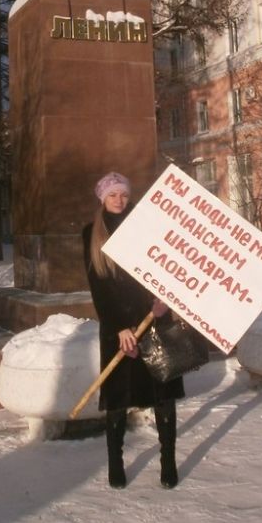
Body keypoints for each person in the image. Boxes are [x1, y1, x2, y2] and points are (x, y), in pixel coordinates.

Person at [82, 171, 184, 489]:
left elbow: (168, 268)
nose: (119, 200)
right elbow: (98, 287)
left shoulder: (146, 226)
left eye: (123, 194)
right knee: (116, 401)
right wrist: (118, 328)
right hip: (119, 329)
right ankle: (116, 465)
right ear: (103, 198)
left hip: (153, 321)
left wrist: (162, 302)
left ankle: (168, 462)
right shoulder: (92, 234)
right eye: (113, 195)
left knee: (163, 397)